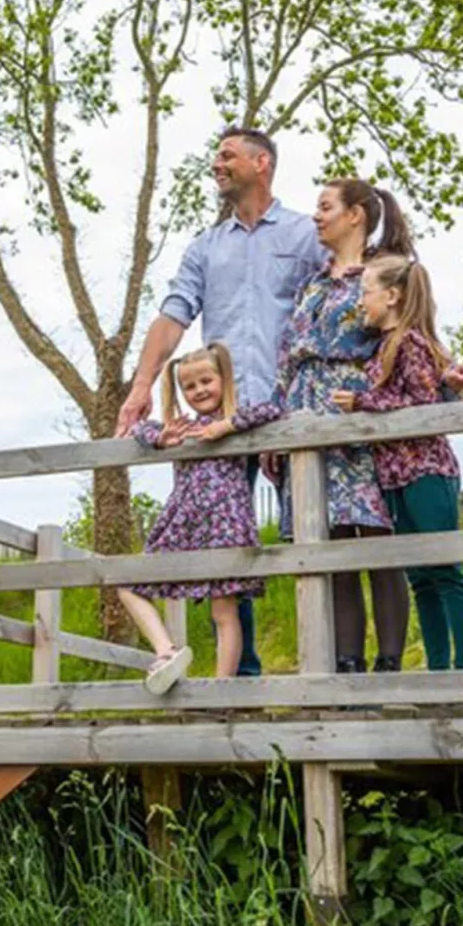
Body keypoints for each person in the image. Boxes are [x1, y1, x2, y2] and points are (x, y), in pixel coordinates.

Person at [117, 127, 326, 677]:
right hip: (222, 423)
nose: (217, 164)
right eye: (216, 155)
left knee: (310, 538)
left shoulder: (306, 235)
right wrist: (141, 387)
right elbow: (174, 312)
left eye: (228, 155)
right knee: (223, 541)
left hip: (286, 414)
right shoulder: (207, 247)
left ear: (262, 163)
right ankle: (243, 677)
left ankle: (324, 671)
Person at [268, 177, 413, 673]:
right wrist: (276, 422)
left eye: (325, 206)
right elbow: (288, 355)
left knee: (374, 537)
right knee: (326, 540)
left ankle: (388, 664)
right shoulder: (312, 283)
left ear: (355, 215)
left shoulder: (384, 274)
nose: (316, 216)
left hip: (356, 412)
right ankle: (345, 664)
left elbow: (410, 339)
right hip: (305, 414)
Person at [333, 255, 463, 671]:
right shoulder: (382, 347)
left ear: (393, 296)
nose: (361, 301)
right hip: (396, 474)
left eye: (366, 292)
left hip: (426, 470)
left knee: (445, 569)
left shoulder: (410, 343)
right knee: (420, 577)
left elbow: (421, 403)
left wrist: (363, 401)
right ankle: (438, 670)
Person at [120, 343, 281, 693]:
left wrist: (227, 426)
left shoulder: (236, 421)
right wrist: (162, 439)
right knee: (128, 584)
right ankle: (166, 652)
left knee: (224, 612)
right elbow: (139, 431)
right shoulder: (183, 428)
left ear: (223, 379)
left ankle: (222, 690)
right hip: (185, 523)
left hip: (225, 522)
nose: (199, 391)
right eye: (189, 387)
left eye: (206, 381)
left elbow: (273, 410)